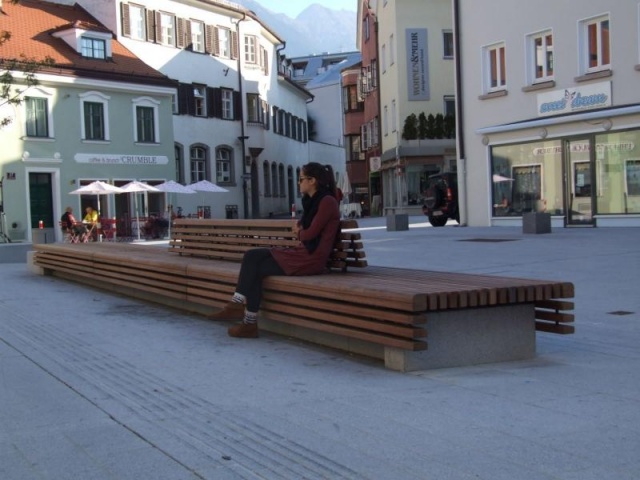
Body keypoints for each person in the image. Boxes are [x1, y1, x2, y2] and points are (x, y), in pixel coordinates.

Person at [210, 162, 341, 338]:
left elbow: (310, 234)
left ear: (312, 181)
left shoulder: (327, 201)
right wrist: (301, 229)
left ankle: (246, 319)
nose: (298, 183)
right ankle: (240, 309)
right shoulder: (312, 201)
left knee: (256, 269)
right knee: (252, 256)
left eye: (301, 179)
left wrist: (299, 231)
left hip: (311, 259)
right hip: (303, 253)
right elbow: (307, 227)